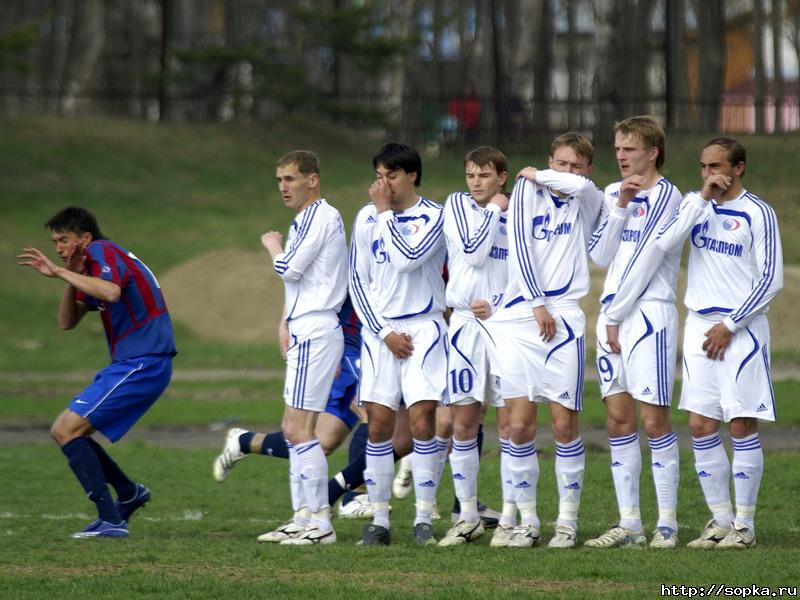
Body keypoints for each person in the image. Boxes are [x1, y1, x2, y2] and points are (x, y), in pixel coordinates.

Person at [650, 137, 782, 549]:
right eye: (704, 167)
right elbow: (663, 244)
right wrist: (701, 198)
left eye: (717, 166)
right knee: (700, 424)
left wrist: (731, 323)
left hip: (740, 330)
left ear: (738, 168)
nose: (709, 174)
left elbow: (770, 279)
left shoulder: (759, 213)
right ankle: (720, 520)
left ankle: (744, 526)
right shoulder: (696, 208)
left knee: (741, 423)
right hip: (698, 325)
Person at [17, 206, 176, 538]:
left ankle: (111, 519)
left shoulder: (104, 252)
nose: (58, 248)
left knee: (65, 429)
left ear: (85, 239)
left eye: (64, 240)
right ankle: (130, 493)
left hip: (144, 363)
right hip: (131, 364)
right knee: (73, 432)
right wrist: (68, 274)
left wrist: (61, 273)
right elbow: (66, 322)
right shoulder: (89, 268)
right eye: (54, 241)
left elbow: (112, 292)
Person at [480, 133, 604, 548]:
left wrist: (542, 174)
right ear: (549, 158)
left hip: (565, 316)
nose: (567, 173)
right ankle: (528, 521)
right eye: (560, 163)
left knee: (565, 425)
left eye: (575, 165)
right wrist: (535, 303)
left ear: (587, 170)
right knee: (518, 426)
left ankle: (566, 523)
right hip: (521, 317)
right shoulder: (525, 194)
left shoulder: (587, 197)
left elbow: (581, 188)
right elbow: (519, 249)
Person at [586, 116, 683, 549]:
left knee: (653, 419)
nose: (621, 156)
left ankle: (667, 523)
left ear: (652, 152)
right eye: (618, 148)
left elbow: (646, 261)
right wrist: (620, 206)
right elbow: (602, 255)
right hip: (613, 315)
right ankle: (630, 524)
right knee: (618, 419)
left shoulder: (668, 195)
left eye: (630, 148)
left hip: (649, 316)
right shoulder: (612, 192)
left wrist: (614, 314)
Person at [349, 142, 448, 545]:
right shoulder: (365, 217)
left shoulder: (435, 216)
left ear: (412, 176)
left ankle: (424, 518)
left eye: (391, 175)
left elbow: (409, 257)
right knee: (379, 425)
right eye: (378, 176)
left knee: (423, 421)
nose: (382, 184)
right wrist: (382, 332)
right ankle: (380, 520)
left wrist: (385, 214)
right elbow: (358, 279)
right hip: (380, 333)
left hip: (424, 328)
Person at [212, 295, 372, 531]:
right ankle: (352, 496)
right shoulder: (346, 258)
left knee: (324, 442)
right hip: (346, 347)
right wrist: (286, 322)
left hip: (369, 346)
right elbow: (300, 280)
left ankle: (245, 441)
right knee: (375, 415)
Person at [258, 150, 348, 545]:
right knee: (291, 428)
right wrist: (284, 320)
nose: (283, 187)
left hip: (318, 329)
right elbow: (298, 282)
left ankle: (321, 524)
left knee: (301, 428)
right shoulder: (305, 220)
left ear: (312, 180)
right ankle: (302, 517)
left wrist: (272, 245)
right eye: (279, 181)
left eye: (290, 179)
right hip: (303, 327)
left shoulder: (323, 217)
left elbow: (289, 268)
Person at [437, 145, 511, 547]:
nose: (476, 182)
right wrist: (494, 211)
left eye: (484, 175)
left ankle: (516, 515)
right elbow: (473, 252)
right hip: (464, 324)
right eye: (471, 175)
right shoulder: (456, 205)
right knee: (463, 422)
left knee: (513, 423)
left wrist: (500, 303)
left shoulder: (518, 212)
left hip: (506, 326)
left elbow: (527, 271)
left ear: (502, 176)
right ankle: (466, 516)